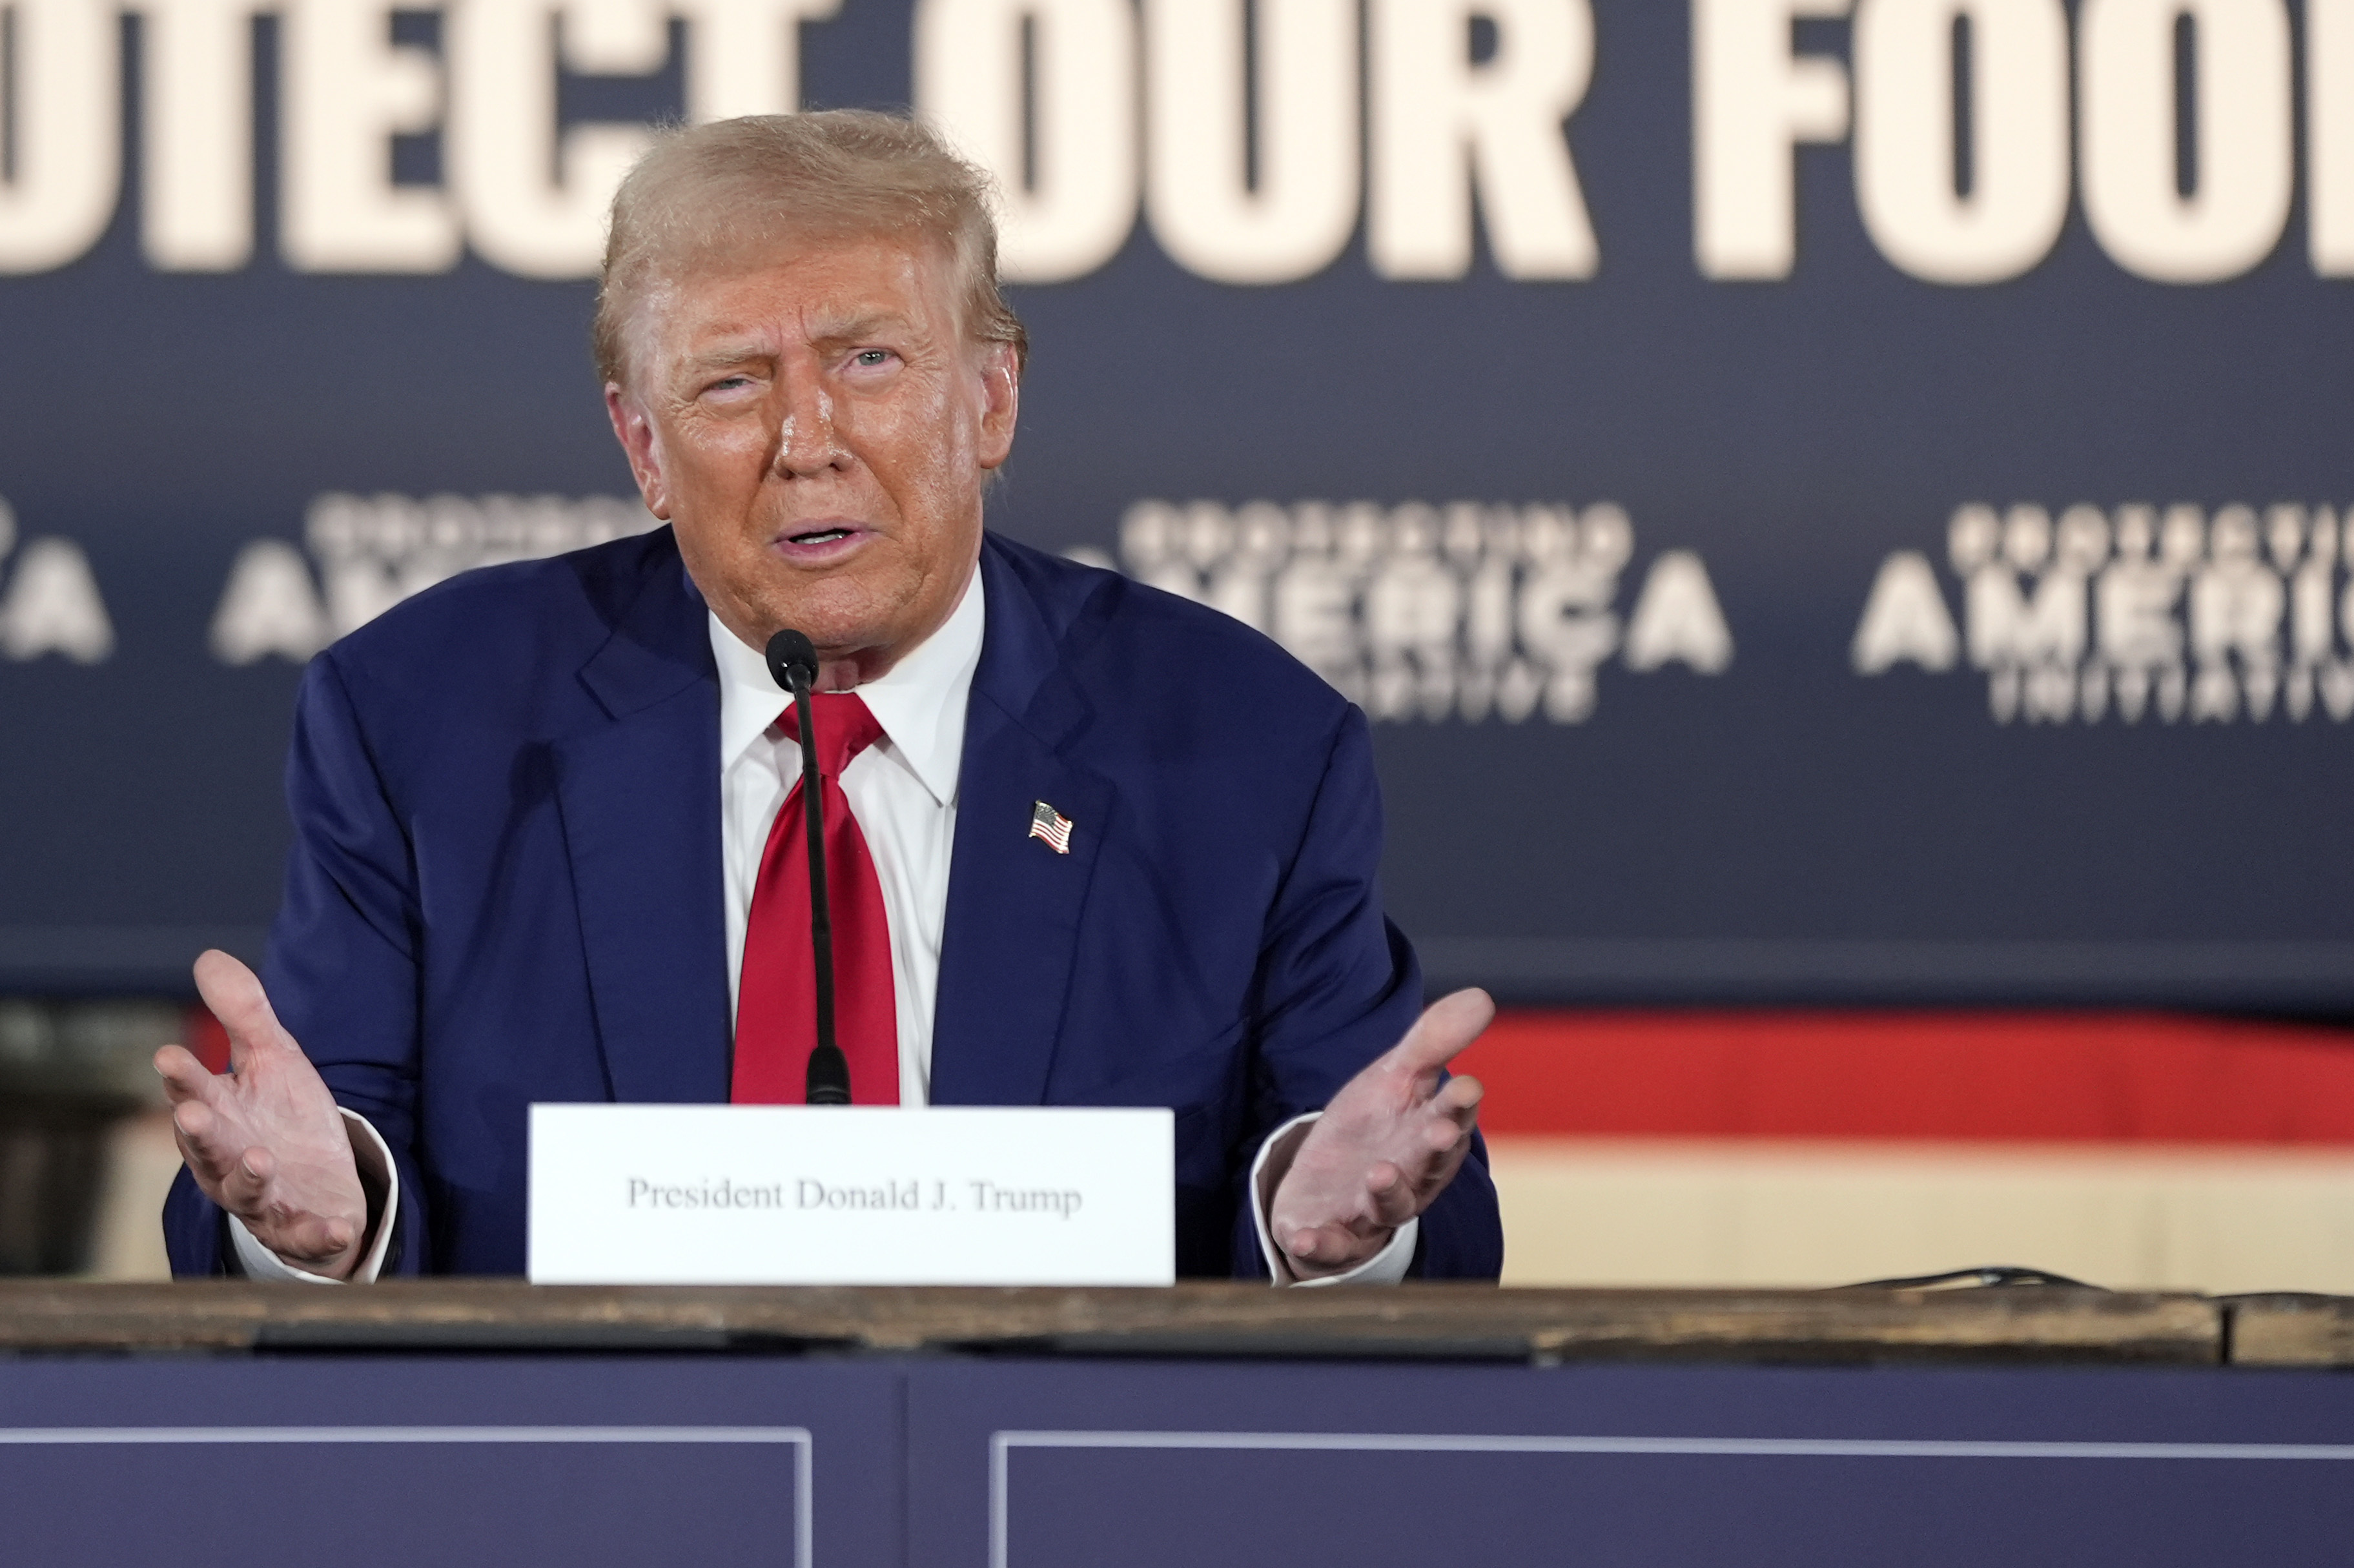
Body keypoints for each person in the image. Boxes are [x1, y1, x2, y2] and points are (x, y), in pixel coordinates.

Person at [157, 110, 1500, 1283]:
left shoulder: (1244, 746)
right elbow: (327, 1156)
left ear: (989, 400)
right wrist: (329, 1225)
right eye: (733, 384)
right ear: (643, 447)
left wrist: (1325, 1232)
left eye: (869, 361)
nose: (809, 445)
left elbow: (1399, 1215)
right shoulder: (423, 722)